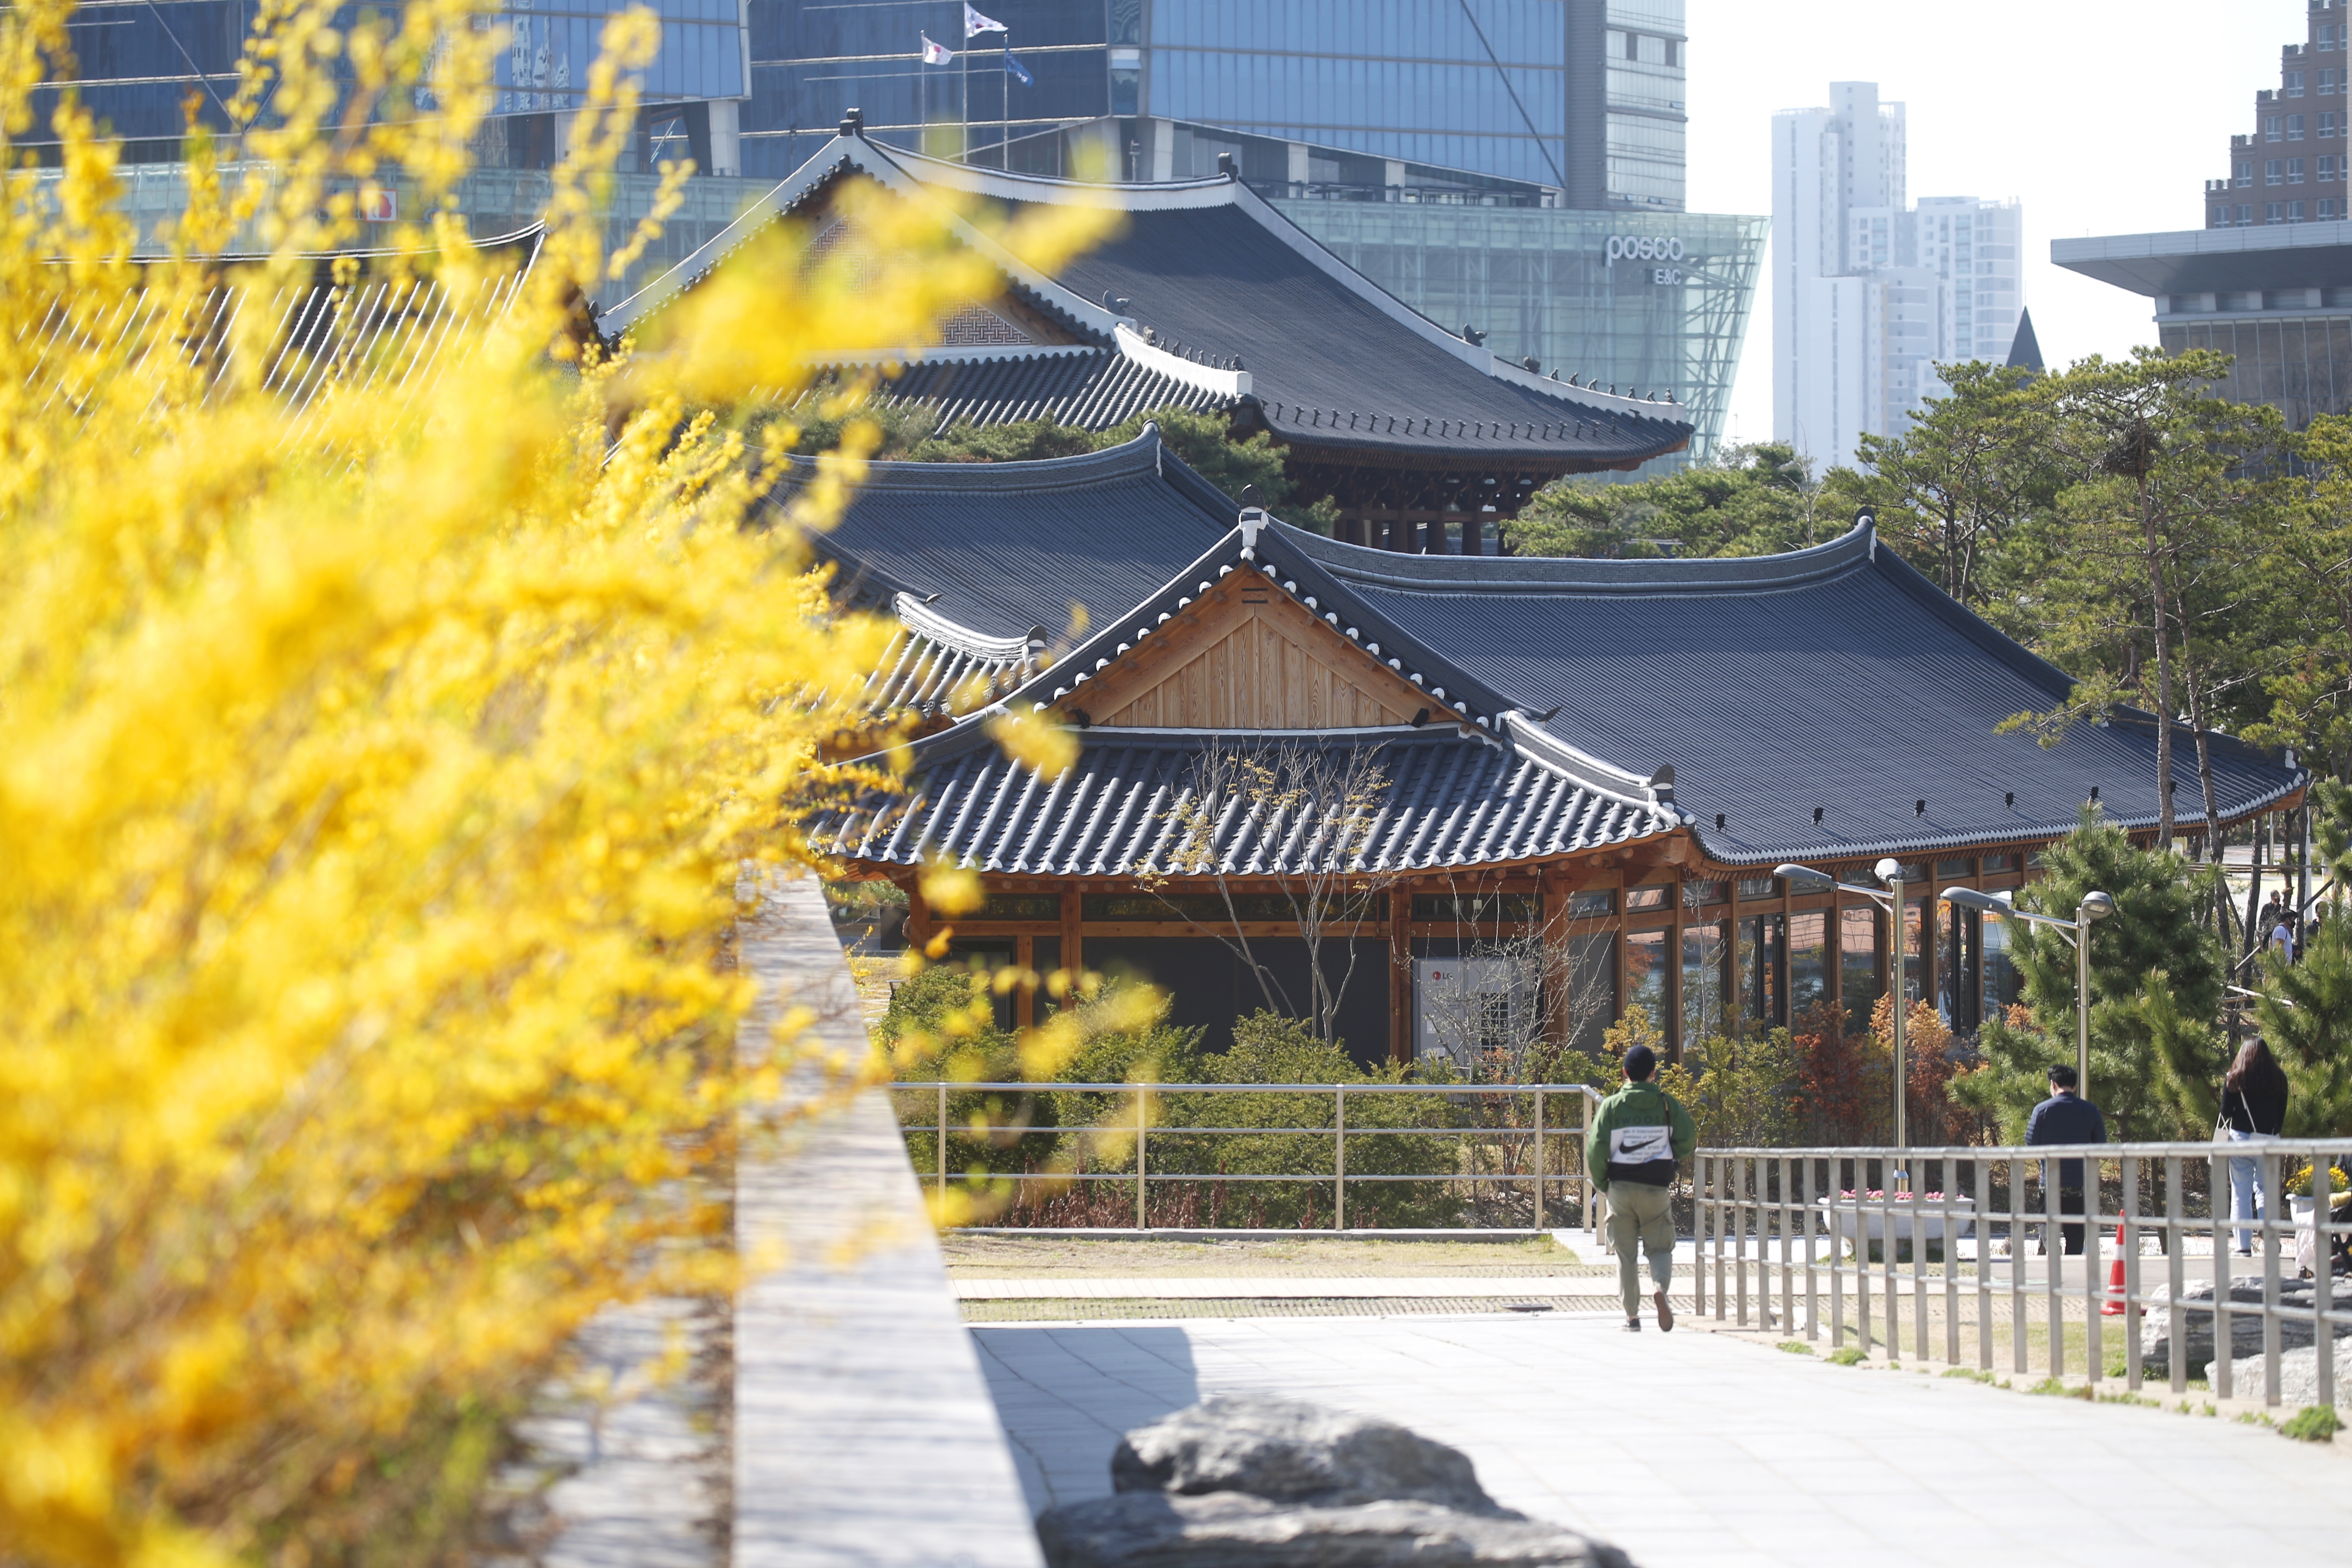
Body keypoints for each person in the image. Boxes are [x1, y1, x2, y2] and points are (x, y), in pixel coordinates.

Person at [1585, 1044, 1698, 1333]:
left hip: (1620, 1188)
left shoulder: (1611, 1105)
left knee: (1626, 1255)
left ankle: (1632, 1317)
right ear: (1654, 1074)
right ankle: (1660, 1288)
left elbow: (1596, 1149)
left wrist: (1602, 1184)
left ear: (1624, 1073)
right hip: (1656, 1189)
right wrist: (1671, 1151)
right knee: (1660, 1248)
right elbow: (1688, 1139)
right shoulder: (1666, 1103)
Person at [2024, 1064, 2105, 1255]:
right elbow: (2101, 1143)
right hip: (2080, 1181)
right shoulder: (2090, 1110)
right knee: (2076, 1231)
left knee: (2046, 1221)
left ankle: (2053, 1251)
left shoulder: (2042, 1110)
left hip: (2051, 1181)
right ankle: (2072, 1266)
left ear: (2053, 1084)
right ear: (2075, 1087)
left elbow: (2031, 1142)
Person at [2220, 1037, 2290, 1255]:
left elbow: (2225, 1114)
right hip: (2268, 1140)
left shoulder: (2234, 1078)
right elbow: (2280, 1115)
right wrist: (2271, 1131)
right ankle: (2269, 1238)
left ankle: (2243, 1247)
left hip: (2240, 1140)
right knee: (2266, 1191)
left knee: (2240, 1193)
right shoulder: (2279, 1078)